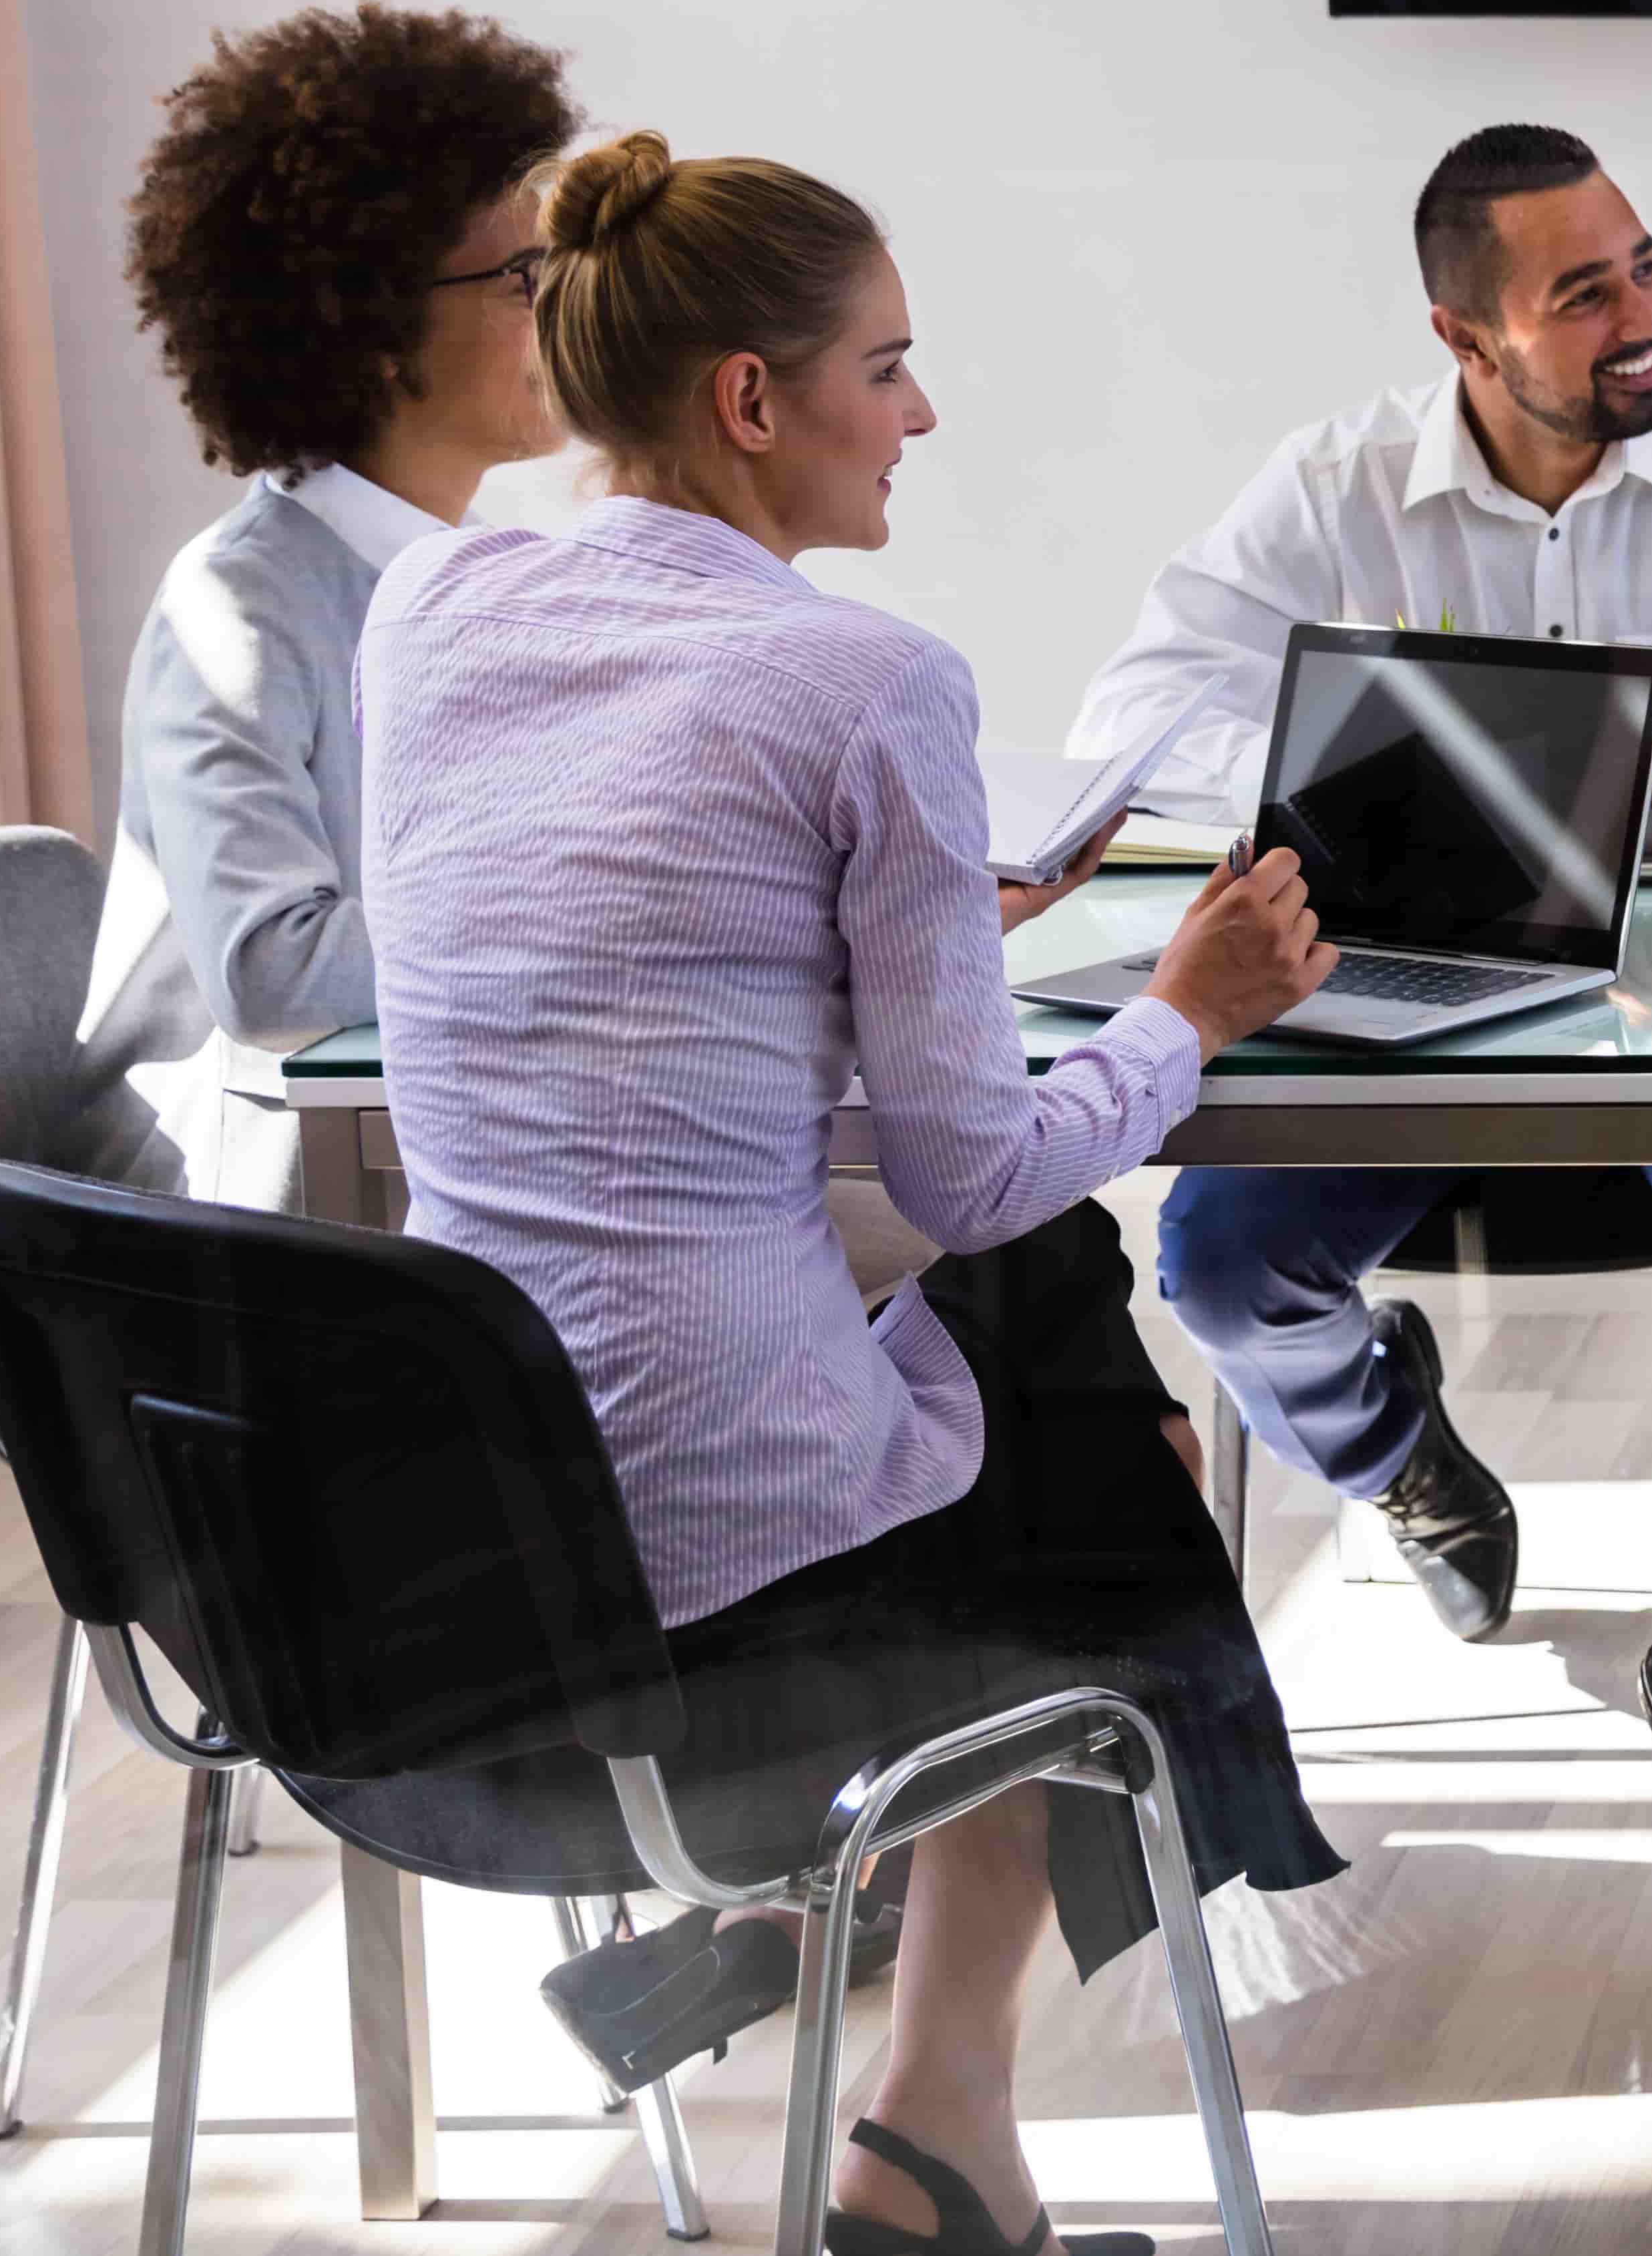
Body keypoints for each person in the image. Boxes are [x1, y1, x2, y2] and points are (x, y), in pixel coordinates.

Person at [358, 132, 1344, 2256]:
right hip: (721, 1551)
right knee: (1081, 1372)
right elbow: (971, 1171)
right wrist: (1195, 1006)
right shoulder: (865, 681)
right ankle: (920, 2088)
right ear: (749, 400)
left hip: (466, 1514)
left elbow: (600, 946)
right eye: (885, 368)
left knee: (1065, 1359)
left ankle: (883, 2050)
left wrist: (893, 926)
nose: (921, 413)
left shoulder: (430, 600)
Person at [1066, 124, 1652, 1654]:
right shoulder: (1336, 485)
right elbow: (1131, 722)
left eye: (1643, 263)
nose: (1643, 312)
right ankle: (1400, 1458)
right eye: (1583, 292)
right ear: (1464, 334)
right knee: (1218, 1261)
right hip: (1410, 1000)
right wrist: (1417, 756)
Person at [83, 1, 579, 1207]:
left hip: (432, 1146)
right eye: (525, 276)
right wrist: (600, 913)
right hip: (259, 1217)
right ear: (372, 328)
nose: (567, 305)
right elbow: (271, 972)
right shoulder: (236, 610)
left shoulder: (490, 578)